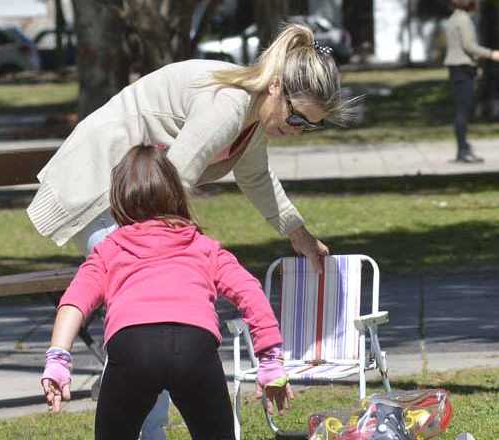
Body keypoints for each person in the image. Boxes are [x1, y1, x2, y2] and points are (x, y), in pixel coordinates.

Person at [27, 24, 354, 439]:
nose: (296, 129)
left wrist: (298, 234)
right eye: (295, 117)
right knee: (142, 313)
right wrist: (185, 248)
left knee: (147, 323)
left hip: (140, 196)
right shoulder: (230, 105)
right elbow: (174, 179)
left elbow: (256, 178)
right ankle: (150, 431)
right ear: (275, 87)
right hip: (108, 186)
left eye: (309, 125)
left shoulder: (253, 114)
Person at [40, 145, 292, 439]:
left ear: (118, 199)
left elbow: (74, 302)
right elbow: (249, 290)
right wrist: (270, 358)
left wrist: (58, 359)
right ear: (175, 193)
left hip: (133, 345)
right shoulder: (202, 246)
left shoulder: (109, 249)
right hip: (194, 344)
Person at [443, 0, 499, 164]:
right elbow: (469, 46)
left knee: (461, 109)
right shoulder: (464, 20)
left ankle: (464, 148)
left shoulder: (452, 19)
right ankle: (463, 151)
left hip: (457, 68)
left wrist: (475, 65)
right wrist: (491, 54)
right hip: (462, 68)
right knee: (463, 111)